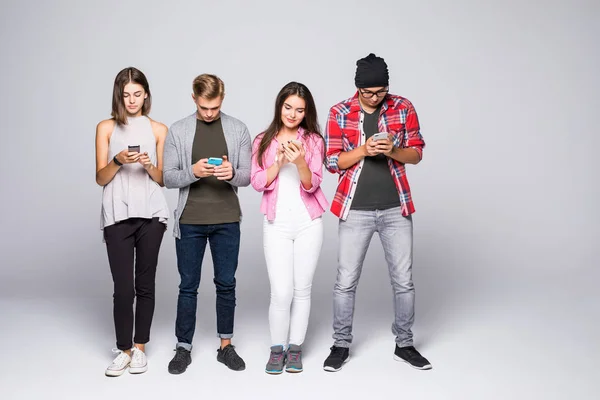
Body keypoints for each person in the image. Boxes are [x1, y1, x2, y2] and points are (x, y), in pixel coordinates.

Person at [322, 53, 432, 371]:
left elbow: (417, 154)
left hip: (396, 208)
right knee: (345, 282)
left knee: (403, 281)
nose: (375, 97)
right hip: (354, 210)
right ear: (357, 88)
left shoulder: (403, 107)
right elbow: (332, 162)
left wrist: (393, 151)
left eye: (380, 91)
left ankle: (405, 344)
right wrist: (363, 150)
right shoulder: (339, 112)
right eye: (368, 92)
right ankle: (340, 345)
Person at [163, 74, 251, 374]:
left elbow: (247, 176)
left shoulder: (238, 129)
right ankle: (183, 348)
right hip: (190, 221)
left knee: (226, 284)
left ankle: (225, 346)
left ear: (222, 99)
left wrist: (231, 173)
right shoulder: (179, 130)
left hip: (227, 219)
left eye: (214, 107)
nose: (209, 113)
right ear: (194, 99)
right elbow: (168, 177)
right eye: (204, 107)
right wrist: (194, 171)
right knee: (188, 286)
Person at [95, 67, 169, 377]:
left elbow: (163, 179)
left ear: (146, 94)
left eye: (137, 94)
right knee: (122, 287)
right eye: (126, 95)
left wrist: (149, 164)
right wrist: (117, 161)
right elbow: (100, 178)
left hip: (151, 214)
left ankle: (139, 348)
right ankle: (123, 349)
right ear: (118, 96)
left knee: (145, 284)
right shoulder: (106, 127)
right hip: (117, 214)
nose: (132, 100)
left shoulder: (158, 130)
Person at [251, 82, 328, 374]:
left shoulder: (314, 141)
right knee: (280, 292)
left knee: (302, 289)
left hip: (308, 222)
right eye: (288, 107)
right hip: (276, 224)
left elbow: (312, 184)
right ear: (279, 106)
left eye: (299, 110)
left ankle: (295, 348)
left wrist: (300, 161)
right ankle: (276, 348)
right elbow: (258, 182)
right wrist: (280, 161)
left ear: (306, 112)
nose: (293, 114)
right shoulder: (263, 139)